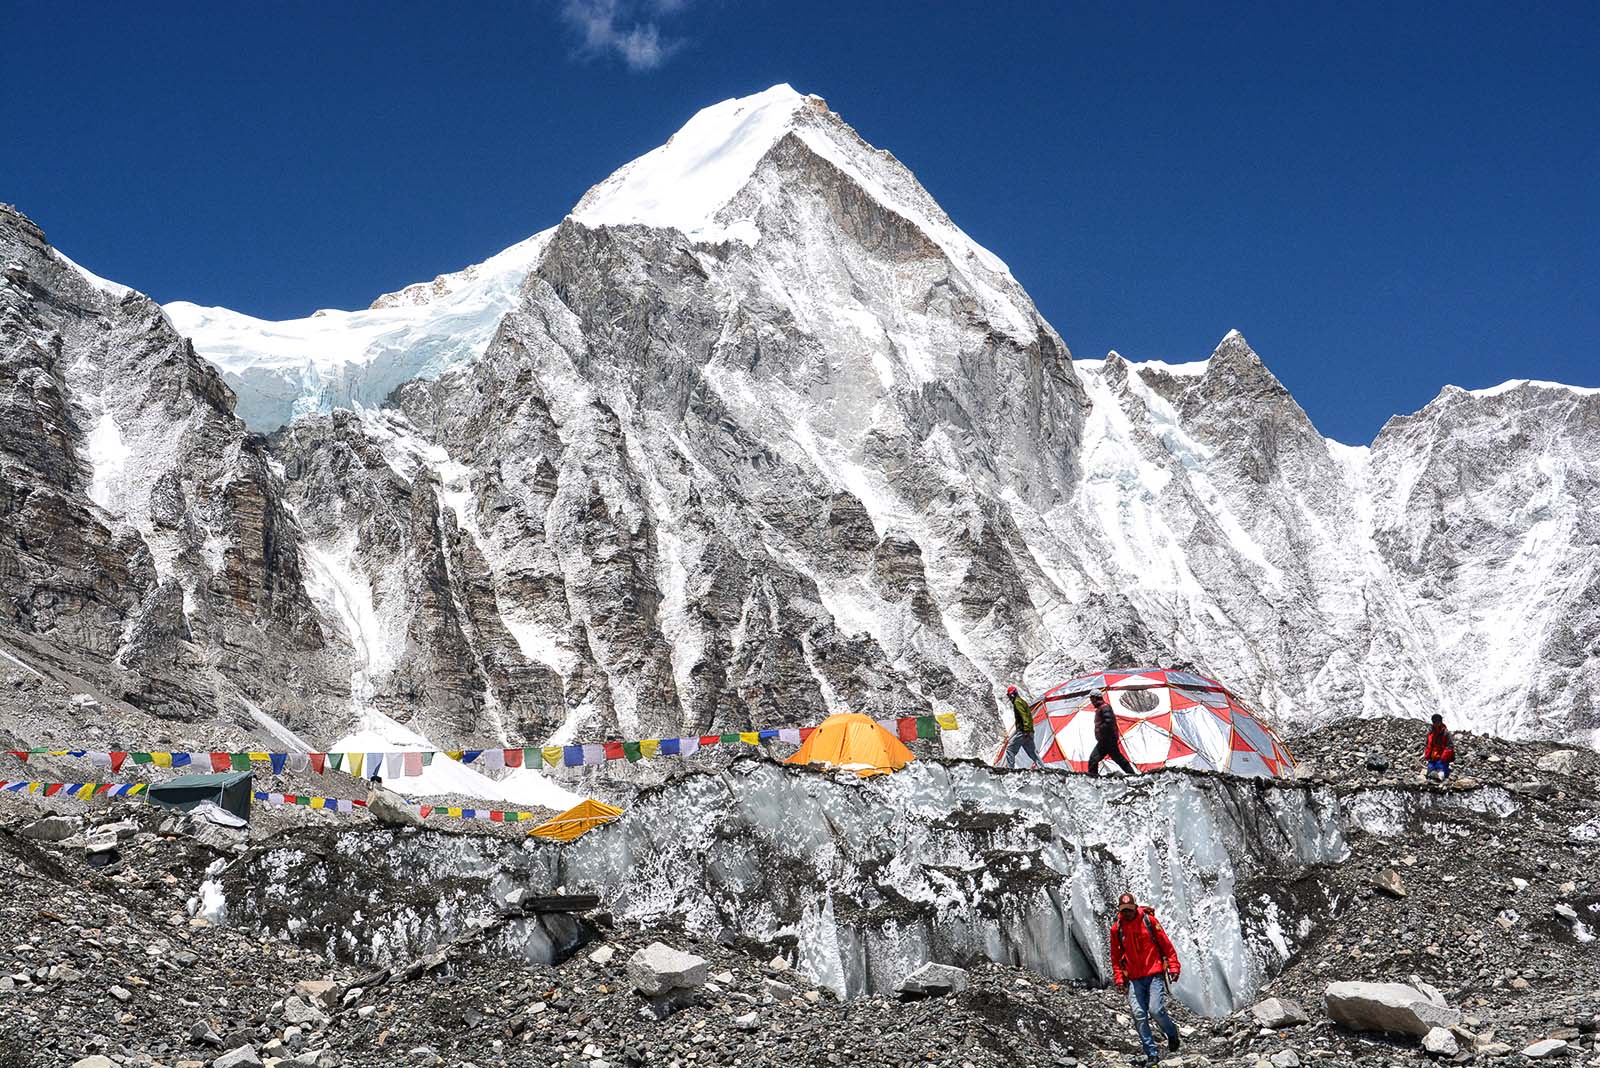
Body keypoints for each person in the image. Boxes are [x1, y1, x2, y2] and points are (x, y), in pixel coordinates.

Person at [1110, 892, 1181, 1065]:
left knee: (1155, 1010)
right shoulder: (1117, 929)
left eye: (1129, 909)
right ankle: (1151, 1053)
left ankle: (1172, 1033)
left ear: (1135, 907)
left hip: (1154, 974)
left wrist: (1173, 966)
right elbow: (1115, 957)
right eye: (1124, 910)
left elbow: (1166, 945)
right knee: (1139, 1014)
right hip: (1134, 978)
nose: (1127, 913)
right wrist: (1119, 978)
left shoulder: (1149, 922)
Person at [1087, 690, 1136, 776]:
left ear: (1094, 698)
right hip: (1107, 740)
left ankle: (1093, 778)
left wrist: (1101, 731)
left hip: (1106, 740)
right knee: (1118, 758)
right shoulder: (1102, 708)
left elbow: (1109, 722)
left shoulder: (1104, 708)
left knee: (1093, 759)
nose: (1091, 701)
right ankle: (1132, 774)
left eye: (1091, 699)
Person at [1001, 685, 1040, 767]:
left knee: (1010, 750)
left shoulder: (1017, 702)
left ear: (1012, 695)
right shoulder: (1022, 701)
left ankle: (1010, 770)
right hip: (1029, 731)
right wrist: (1028, 730)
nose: (1009, 698)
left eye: (1009, 695)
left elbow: (1024, 716)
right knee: (1032, 753)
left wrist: (1025, 730)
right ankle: (1043, 768)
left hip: (1023, 732)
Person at [1423, 714, 1455, 783]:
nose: (1436, 724)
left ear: (1440, 722)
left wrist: (1443, 757)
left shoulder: (1445, 733)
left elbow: (1450, 746)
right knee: (1429, 774)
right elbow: (1428, 745)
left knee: (1441, 774)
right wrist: (1427, 756)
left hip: (1442, 758)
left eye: (1437, 722)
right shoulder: (1430, 733)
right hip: (1432, 757)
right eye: (1434, 722)